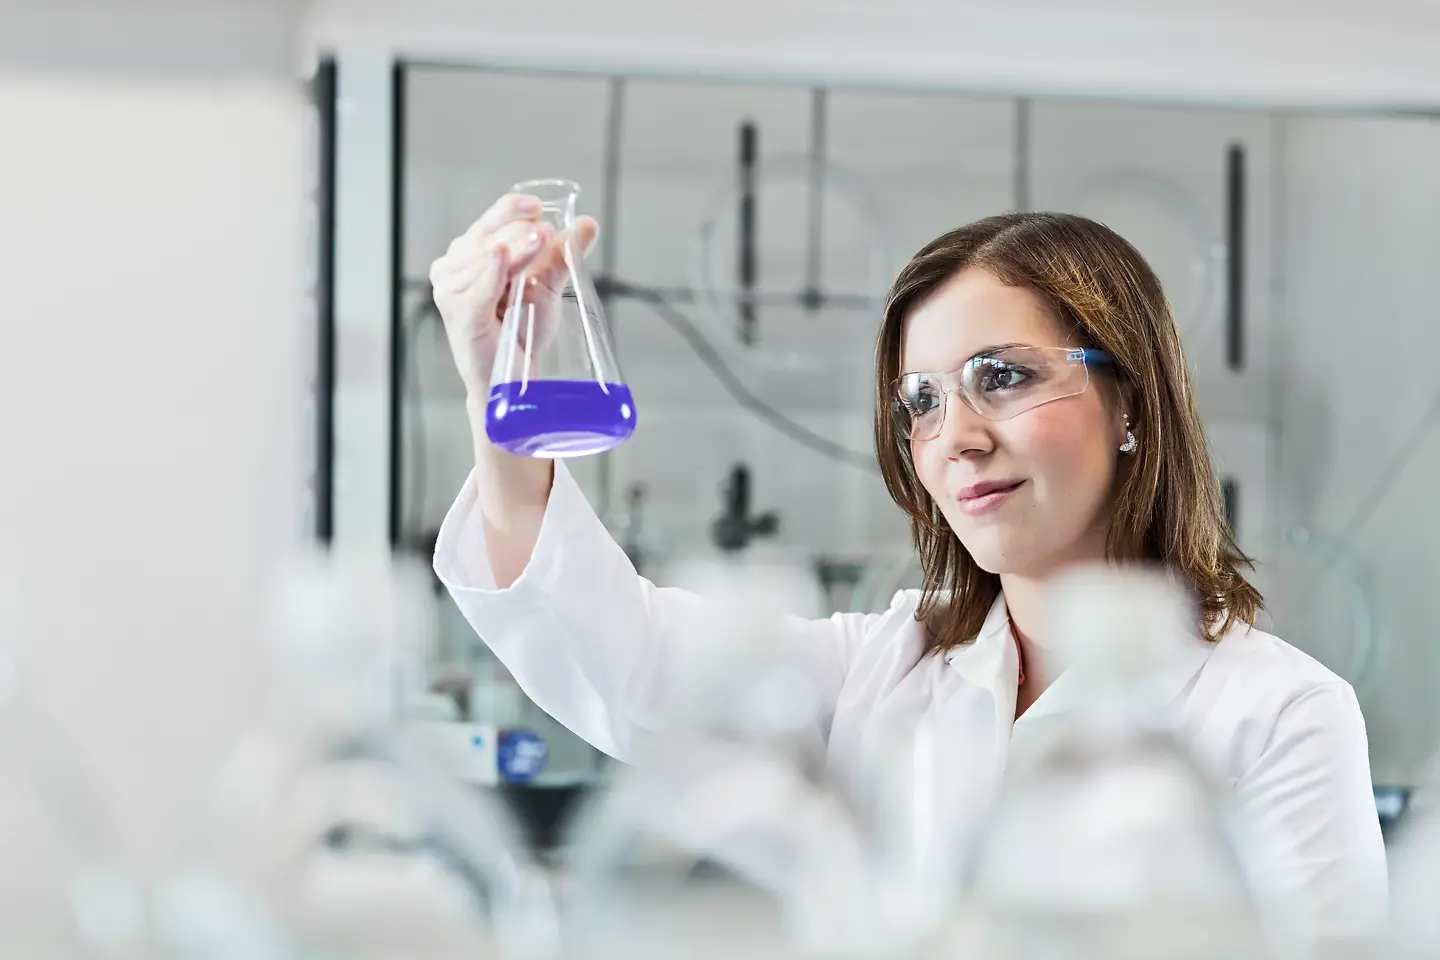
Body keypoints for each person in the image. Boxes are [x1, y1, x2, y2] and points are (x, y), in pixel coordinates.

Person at [428, 191, 1386, 940]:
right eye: (919, 402)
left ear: (1130, 401)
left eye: (1003, 377)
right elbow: (624, 660)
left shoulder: (1281, 716)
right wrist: (493, 381)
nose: (955, 439)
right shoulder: (886, 668)